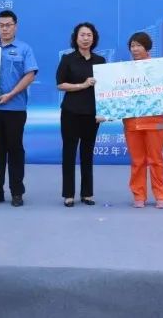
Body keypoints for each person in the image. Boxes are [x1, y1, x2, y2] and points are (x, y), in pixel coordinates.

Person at [0, 10, 38, 207]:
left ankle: (17, 192)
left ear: (15, 26)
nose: (5, 28)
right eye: (1, 25)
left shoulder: (24, 49)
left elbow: (30, 75)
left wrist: (11, 94)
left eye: (8, 25)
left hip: (15, 108)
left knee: (15, 149)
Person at [120, 32, 163, 209]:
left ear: (147, 48)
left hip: (155, 122)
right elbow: (116, 92)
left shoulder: (158, 68)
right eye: (132, 46)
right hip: (133, 122)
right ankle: (139, 195)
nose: (135, 49)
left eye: (139, 45)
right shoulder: (124, 70)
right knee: (137, 161)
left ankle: (160, 195)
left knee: (156, 160)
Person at [56, 22, 106, 207]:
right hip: (71, 112)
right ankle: (68, 194)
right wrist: (82, 85)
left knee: (87, 153)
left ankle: (87, 193)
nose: (86, 38)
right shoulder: (67, 59)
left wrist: (105, 112)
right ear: (76, 38)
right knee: (69, 153)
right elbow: (60, 84)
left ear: (94, 38)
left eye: (89, 35)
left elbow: (106, 89)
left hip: (92, 114)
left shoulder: (100, 61)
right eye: (82, 35)